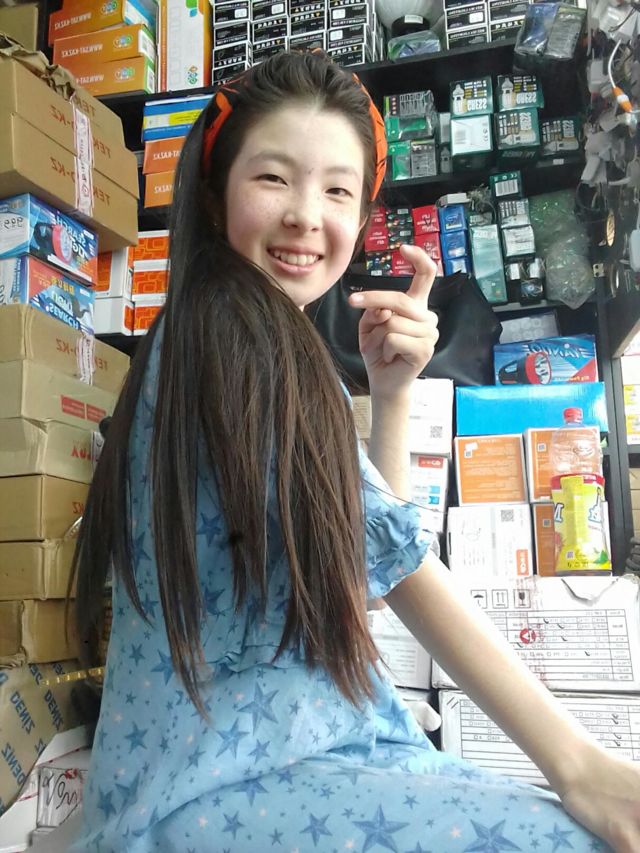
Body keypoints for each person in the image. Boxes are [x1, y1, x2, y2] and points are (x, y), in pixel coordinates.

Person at [70, 51, 639, 852]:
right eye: (274, 178)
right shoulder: (235, 332)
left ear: (364, 214)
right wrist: (579, 765)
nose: (307, 215)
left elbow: (352, 579)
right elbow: (395, 570)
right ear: (216, 192)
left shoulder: (232, 337)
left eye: (338, 190)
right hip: (224, 786)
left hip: (223, 776)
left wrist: (392, 390)